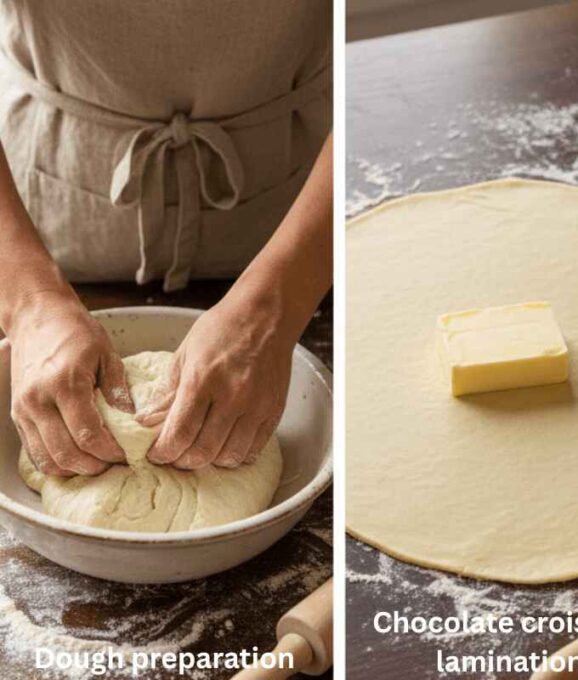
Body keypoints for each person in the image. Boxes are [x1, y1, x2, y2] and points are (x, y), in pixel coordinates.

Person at [0, 2, 332, 477]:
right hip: (37, 224)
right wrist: (28, 303)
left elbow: (373, 62)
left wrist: (278, 305)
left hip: (303, 221)